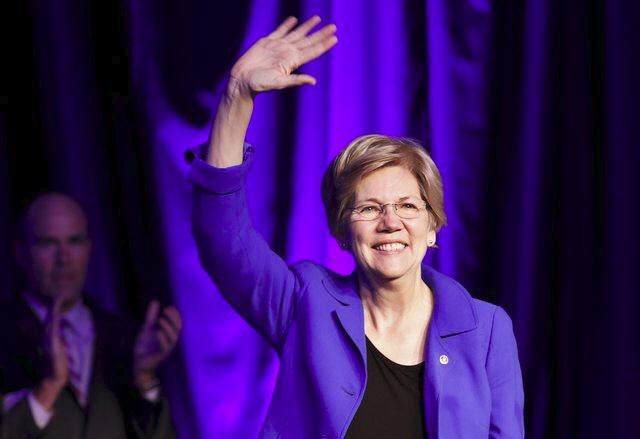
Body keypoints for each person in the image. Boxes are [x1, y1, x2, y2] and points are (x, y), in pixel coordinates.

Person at [189, 16, 524, 438]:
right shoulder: (305, 304)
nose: (390, 222)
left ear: (433, 226)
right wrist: (237, 95)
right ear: (342, 231)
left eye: (407, 206)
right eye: (369, 209)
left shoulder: (488, 330)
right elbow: (224, 244)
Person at [0, 192, 181, 439]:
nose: (63, 259)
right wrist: (49, 387)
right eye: (48, 243)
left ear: (89, 248)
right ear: (20, 252)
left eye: (74, 241)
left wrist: (144, 378)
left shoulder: (123, 337)